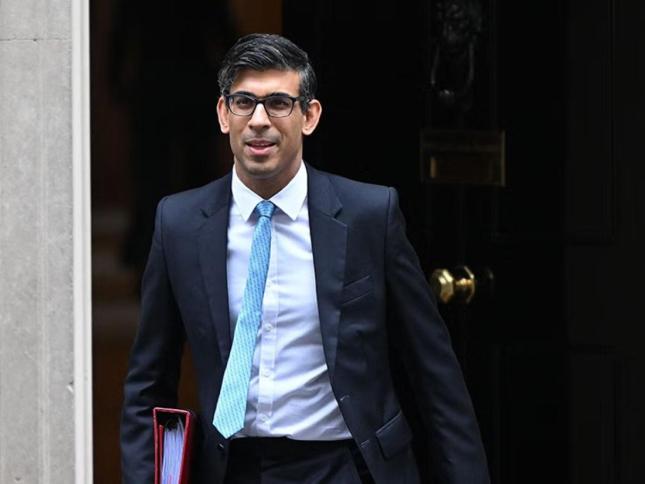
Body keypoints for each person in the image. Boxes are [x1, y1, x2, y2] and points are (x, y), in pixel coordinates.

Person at [120, 33, 490, 484]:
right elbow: (148, 382)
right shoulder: (178, 224)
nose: (259, 121)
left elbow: (436, 377)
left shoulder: (369, 216)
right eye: (243, 102)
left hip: (346, 466)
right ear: (223, 114)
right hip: (231, 468)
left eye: (278, 103)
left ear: (309, 116)